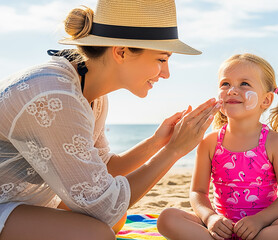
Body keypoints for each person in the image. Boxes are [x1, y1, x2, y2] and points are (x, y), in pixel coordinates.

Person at [0, 0, 220, 239]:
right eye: (162, 59)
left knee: (111, 221)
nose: (166, 74)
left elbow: (105, 168)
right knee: (97, 233)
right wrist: (175, 150)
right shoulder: (55, 96)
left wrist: (158, 143)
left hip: (20, 201)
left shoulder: (92, 94)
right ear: (121, 52)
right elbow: (105, 209)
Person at [157, 53, 278, 240]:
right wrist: (210, 217)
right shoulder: (209, 142)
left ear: (266, 100)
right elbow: (197, 192)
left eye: (244, 84)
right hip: (220, 229)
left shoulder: (275, 143)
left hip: (260, 230)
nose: (231, 90)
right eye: (225, 84)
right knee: (167, 218)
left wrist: (260, 220)